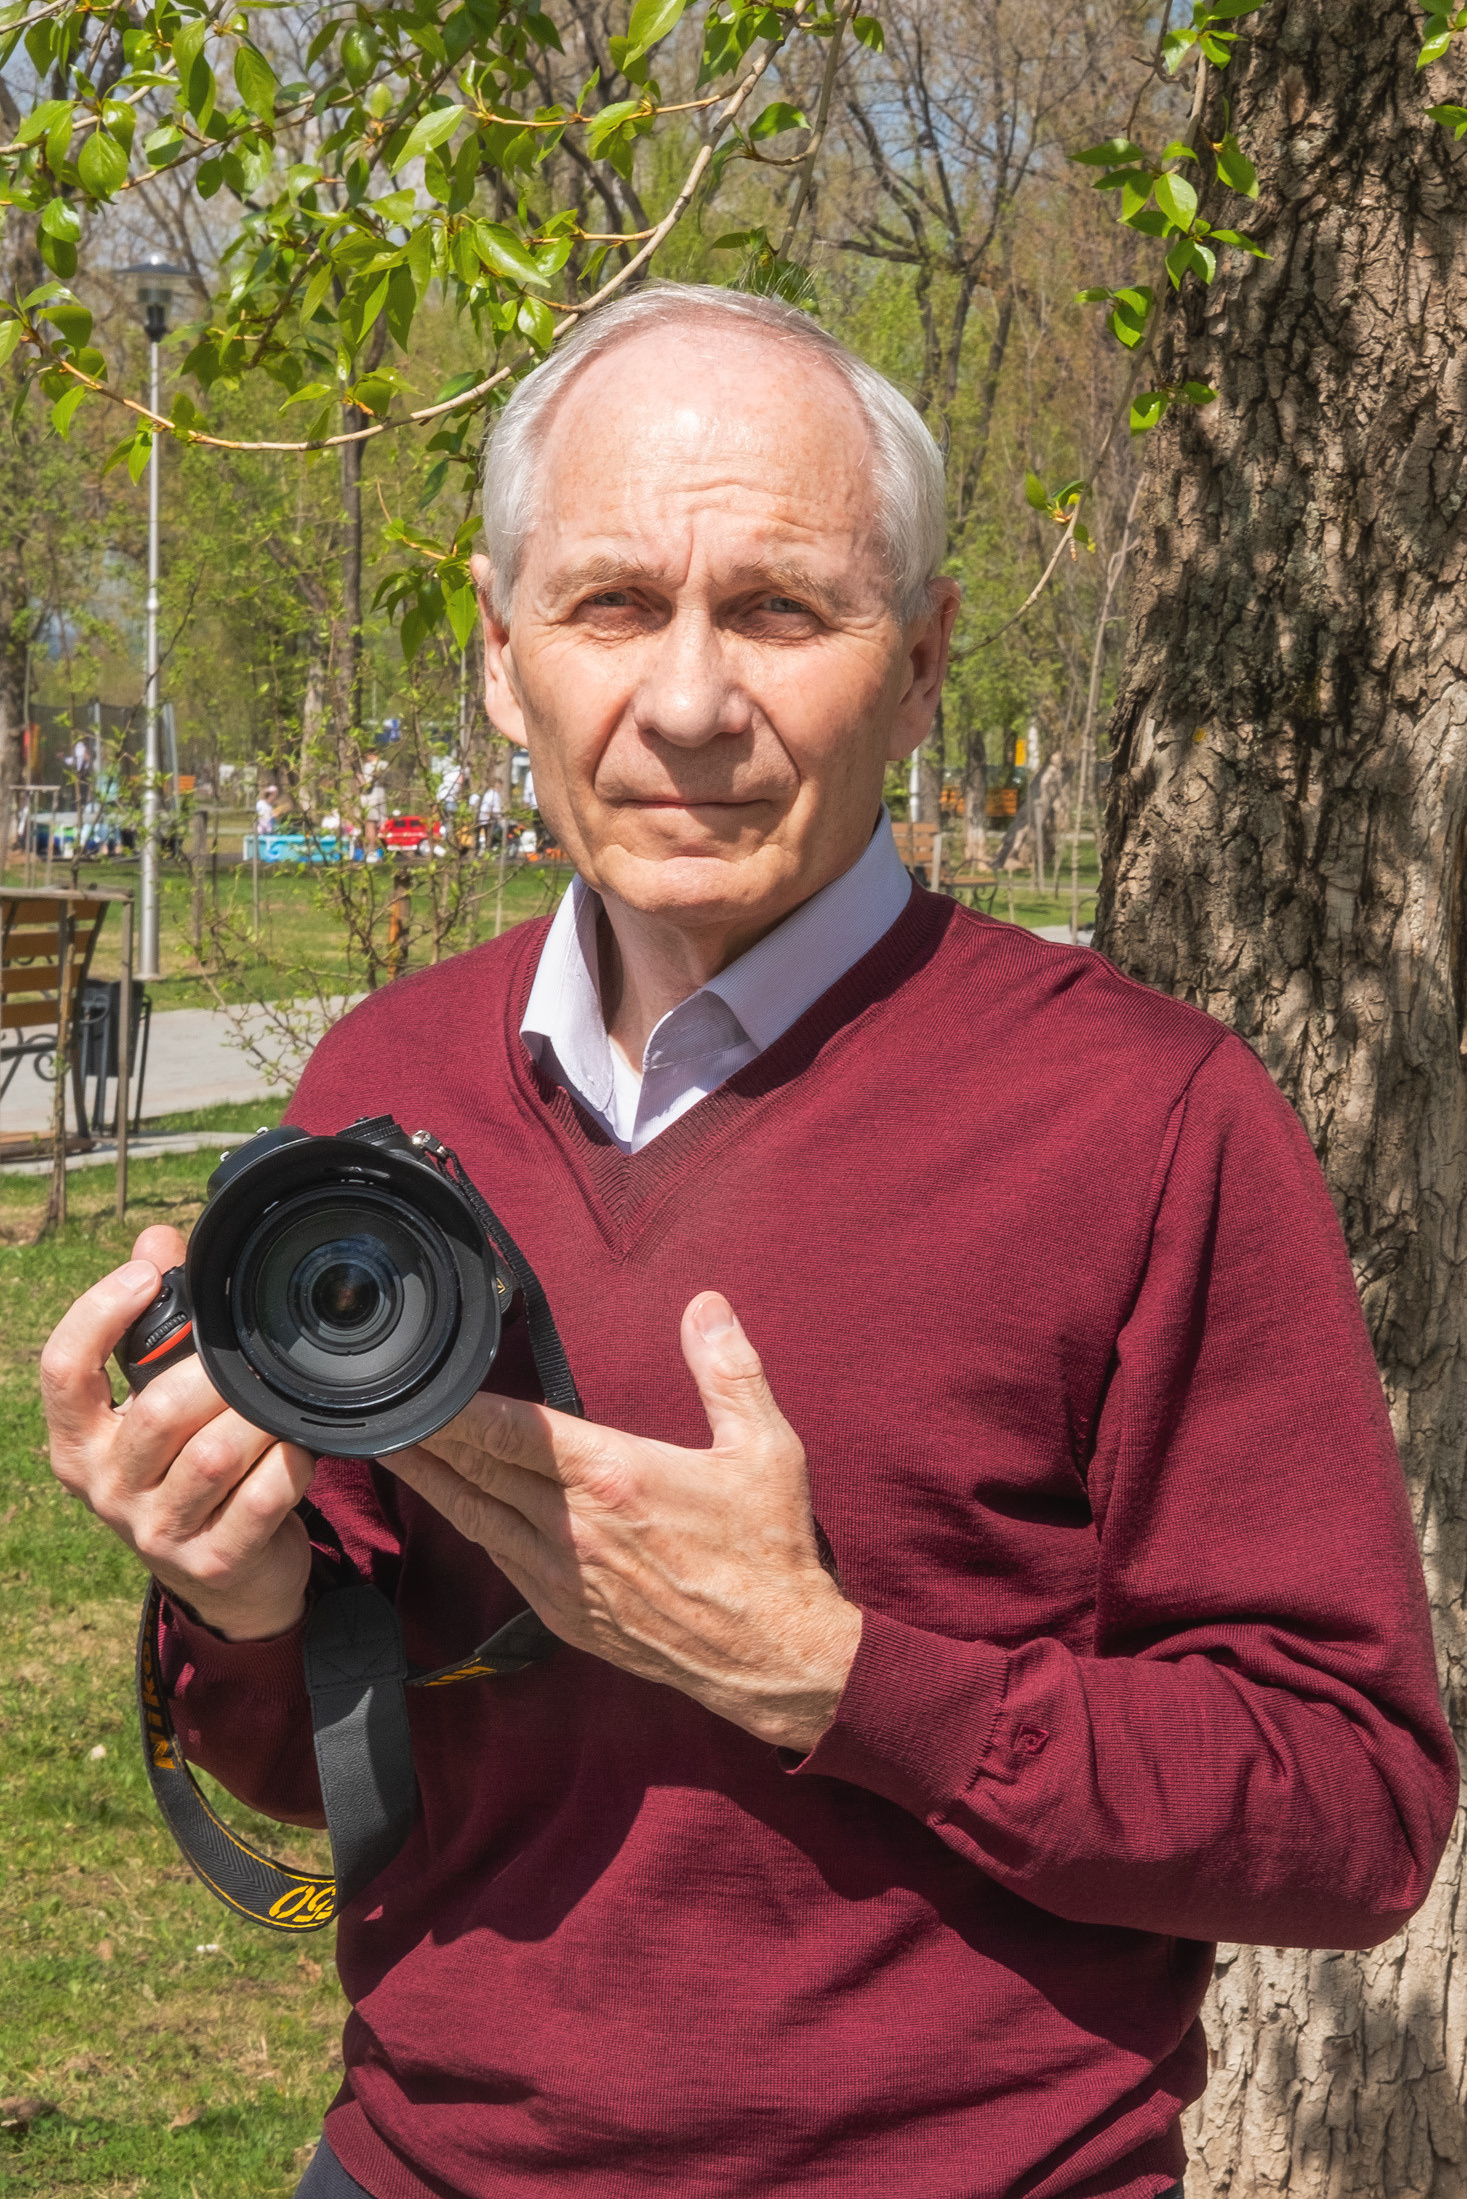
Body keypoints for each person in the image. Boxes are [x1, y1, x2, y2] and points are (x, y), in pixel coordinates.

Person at [39, 286, 1455, 2199]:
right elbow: (327, 1769)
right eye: (613, 605)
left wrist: (836, 1674)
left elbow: (1353, 1814)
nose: (691, 703)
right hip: (417, 2168)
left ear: (924, 661)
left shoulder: (1148, 1121)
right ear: (500, 656)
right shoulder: (386, 1080)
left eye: (781, 610)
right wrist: (232, 1595)